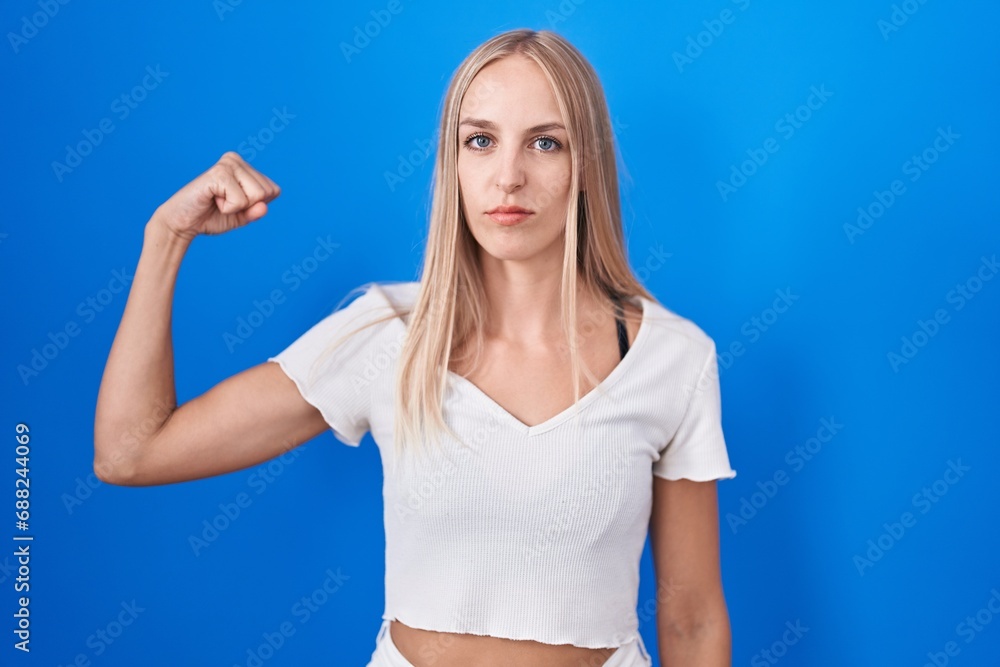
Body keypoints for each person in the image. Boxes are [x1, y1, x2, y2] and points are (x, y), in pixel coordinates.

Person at [94, 27, 737, 667]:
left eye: (545, 143)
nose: (508, 177)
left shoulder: (672, 358)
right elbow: (130, 453)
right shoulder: (386, 333)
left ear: (588, 166)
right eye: (480, 141)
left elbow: (693, 617)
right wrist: (165, 238)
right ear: (452, 163)